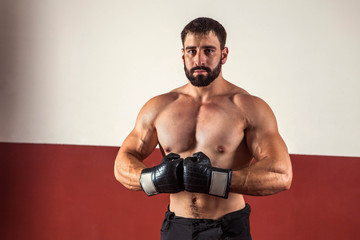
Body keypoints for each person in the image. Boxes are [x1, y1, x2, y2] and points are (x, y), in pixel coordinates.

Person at [114, 17, 293, 240]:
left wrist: (214, 180)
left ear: (223, 54)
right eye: (191, 51)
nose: (199, 59)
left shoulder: (248, 107)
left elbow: (281, 174)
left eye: (208, 51)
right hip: (176, 227)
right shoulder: (159, 107)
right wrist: (154, 178)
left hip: (227, 228)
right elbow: (122, 163)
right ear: (183, 55)